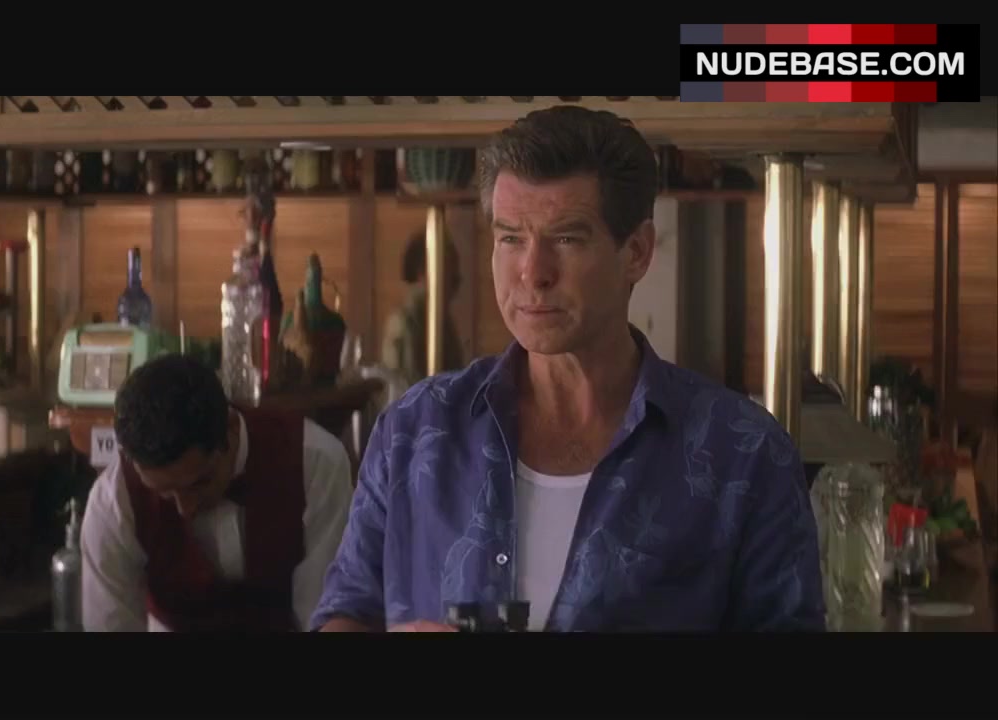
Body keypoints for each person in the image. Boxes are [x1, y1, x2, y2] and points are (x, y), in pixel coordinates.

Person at [311, 106, 825, 632]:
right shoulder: (413, 431)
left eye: (566, 239)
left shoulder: (744, 455)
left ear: (637, 252)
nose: (533, 273)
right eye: (511, 238)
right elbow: (345, 610)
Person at [80, 353, 354, 631]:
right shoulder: (113, 504)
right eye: (164, 492)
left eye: (199, 483)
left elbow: (325, 614)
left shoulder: (315, 464)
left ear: (231, 427)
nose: (185, 509)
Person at [379, 231, 465, 384]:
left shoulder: (442, 321)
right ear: (425, 271)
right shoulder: (404, 325)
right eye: (449, 269)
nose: (456, 280)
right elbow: (409, 389)